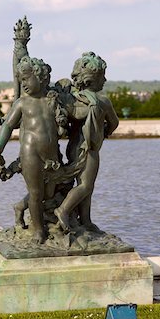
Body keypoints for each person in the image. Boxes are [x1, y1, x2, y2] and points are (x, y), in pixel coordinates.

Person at [0, 56, 62, 244]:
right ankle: (38, 231)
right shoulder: (22, 103)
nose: (23, 83)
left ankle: (20, 207)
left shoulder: (52, 100)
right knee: (36, 194)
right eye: (21, 80)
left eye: (26, 79)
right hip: (31, 153)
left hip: (52, 155)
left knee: (49, 193)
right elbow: (8, 126)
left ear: (41, 77)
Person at [54, 52, 119, 233]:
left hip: (73, 147)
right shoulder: (103, 101)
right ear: (92, 80)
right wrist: (104, 132)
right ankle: (63, 210)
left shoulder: (72, 100)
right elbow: (114, 122)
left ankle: (86, 220)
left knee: (85, 184)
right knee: (86, 185)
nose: (105, 80)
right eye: (102, 76)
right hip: (90, 149)